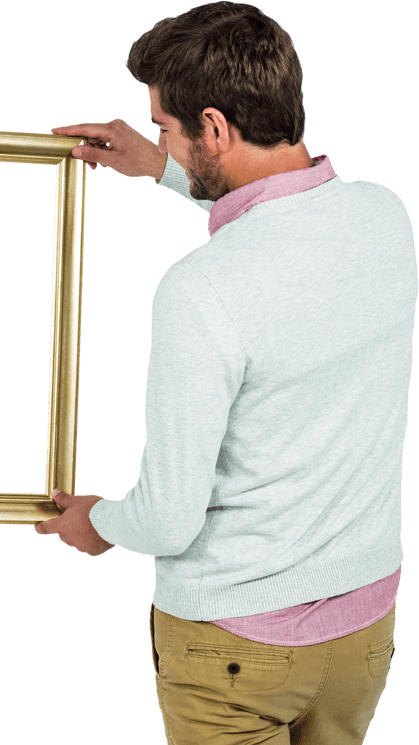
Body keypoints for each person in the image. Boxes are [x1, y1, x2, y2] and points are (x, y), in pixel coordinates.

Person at [34, 2, 414, 744]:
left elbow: (168, 519)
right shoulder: (385, 217)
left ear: (213, 128)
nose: (157, 140)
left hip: (235, 646)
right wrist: (159, 170)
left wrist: (100, 523)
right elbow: (285, 250)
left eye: (164, 129)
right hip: (363, 631)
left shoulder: (198, 291)